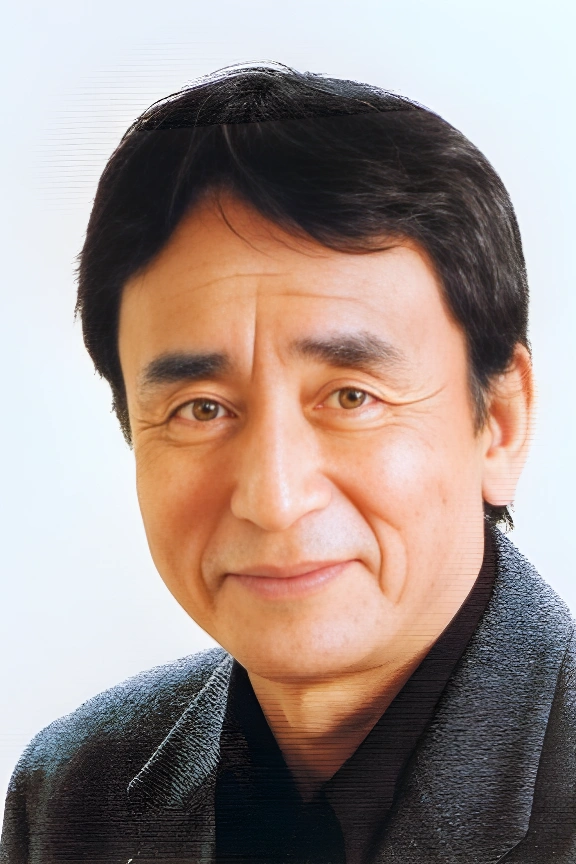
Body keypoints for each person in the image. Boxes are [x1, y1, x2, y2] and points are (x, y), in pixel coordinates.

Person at [1, 63, 574, 864]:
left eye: (350, 397)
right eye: (202, 409)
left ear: (500, 424)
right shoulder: (72, 795)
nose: (273, 498)